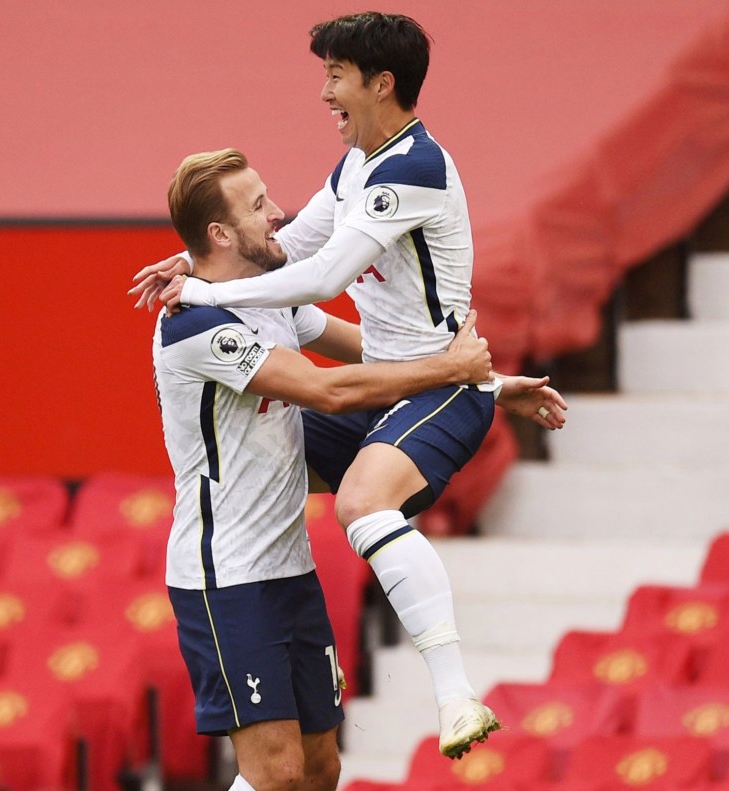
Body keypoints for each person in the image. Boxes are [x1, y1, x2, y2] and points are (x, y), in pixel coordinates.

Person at [135, 13, 569, 760]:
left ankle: (455, 691)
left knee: (363, 502)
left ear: (381, 83)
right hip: (240, 559)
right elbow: (297, 268)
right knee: (299, 772)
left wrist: (203, 288)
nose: (325, 92)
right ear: (218, 234)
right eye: (255, 203)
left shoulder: (412, 167)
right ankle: (453, 690)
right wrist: (197, 271)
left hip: (423, 401)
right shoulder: (351, 177)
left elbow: (322, 278)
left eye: (335, 75)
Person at [157, 147, 502, 791]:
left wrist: (492, 384)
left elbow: (380, 352)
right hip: (225, 578)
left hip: (290, 570)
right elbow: (331, 392)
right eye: (259, 206)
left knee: (320, 770)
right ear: (220, 234)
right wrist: (451, 371)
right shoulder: (192, 323)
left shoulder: (270, 297)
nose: (278, 214)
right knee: (277, 773)